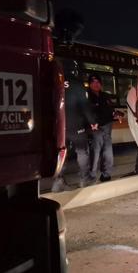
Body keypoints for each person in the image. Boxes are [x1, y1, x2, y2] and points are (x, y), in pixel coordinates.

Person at [52, 60, 97, 192]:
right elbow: (85, 106)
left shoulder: (55, 83)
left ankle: (58, 181)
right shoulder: (78, 84)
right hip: (76, 125)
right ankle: (84, 179)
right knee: (82, 151)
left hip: (58, 126)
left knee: (61, 153)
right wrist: (92, 122)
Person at [87, 74, 117, 182]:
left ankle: (106, 174)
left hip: (107, 126)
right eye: (93, 82)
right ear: (90, 84)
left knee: (108, 151)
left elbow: (111, 110)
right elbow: (85, 112)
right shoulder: (87, 96)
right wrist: (91, 123)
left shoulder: (105, 96)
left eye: (98, 82)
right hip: (95, 128)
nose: (96, 84)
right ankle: (92, 174)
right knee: (95, 151)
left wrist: (116, 114)